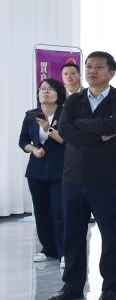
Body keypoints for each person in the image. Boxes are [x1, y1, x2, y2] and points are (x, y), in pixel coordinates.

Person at [49, 51, 116, 300]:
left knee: (110, 236)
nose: (92, 71)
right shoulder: (75, 100)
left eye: (98, 67)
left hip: (106, 180)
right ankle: (72, 286)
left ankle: (110, 287)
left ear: (111, 72)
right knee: (72, 234)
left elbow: (113, 126)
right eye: (89, 66)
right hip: (73, 178)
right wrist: (97, 134)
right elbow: (65, 130)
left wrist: (81, 125)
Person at [20, 78, 66, 262]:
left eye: (50, 88)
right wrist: (34, 149)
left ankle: (64, 252)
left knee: (60, 212)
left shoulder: (65, 114)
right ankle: (48, 248)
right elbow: (23, 141)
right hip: (36, 170)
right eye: (42, 88)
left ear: (59, 94)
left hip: (60, 169)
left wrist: (49, 129)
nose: (45, 91)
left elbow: (67, 140)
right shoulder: (31, 115)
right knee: (41, 212)